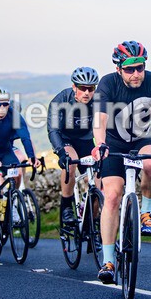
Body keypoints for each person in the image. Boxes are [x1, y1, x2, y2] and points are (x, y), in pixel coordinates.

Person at [91, 41, 151, 284]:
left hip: (143, 139)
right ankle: (108, 261)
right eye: (129, 69)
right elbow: (99, 120)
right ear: (119, 69)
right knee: (111, 196)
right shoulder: (108, 83)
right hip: (113, 144)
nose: (136, 74)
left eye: (139, 68)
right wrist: (99, 144)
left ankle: (146, 212)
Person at [0, 87, 41, 248]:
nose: (2, 108)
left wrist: (32, 157)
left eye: (5, 104)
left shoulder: (14, 116)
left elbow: (25, 137)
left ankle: (13, 200)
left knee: (17, 174)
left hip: (5, 151)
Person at [47, 66, 100, 226]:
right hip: (65, 139)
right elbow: (53, 129)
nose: (87, 93)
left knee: (100, 182)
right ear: (74, 87)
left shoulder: (98, 101)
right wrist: (61, 152)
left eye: (90, 89)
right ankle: (66, 207)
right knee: (71, 163)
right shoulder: (60, 100)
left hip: (85, 140)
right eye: (82, 88)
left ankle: (93, 224)